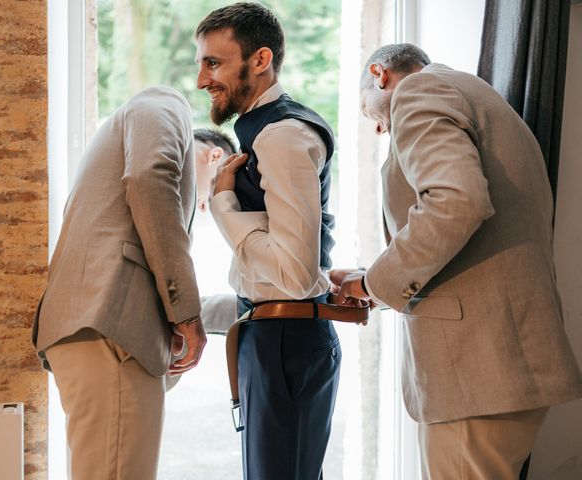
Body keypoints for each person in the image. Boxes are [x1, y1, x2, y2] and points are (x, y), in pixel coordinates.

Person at [333, 43, 582, 479]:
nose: (378, 129)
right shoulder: (481, 95)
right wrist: (374, 280)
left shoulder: (420, 92)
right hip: (505, 361)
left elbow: (456, 202)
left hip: (477, 371)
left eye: (370, 113)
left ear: (380, 74)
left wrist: (374, 284)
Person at [195, 3, 341, 479]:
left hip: (286, 340)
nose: (201, 79)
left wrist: (224, 208)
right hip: (270, 337)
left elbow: (296, 275)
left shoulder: (281, 135)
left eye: (213, 63)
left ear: (260, 60)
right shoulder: (263, 131)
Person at [32, 86, 207, 480]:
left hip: (93, 324)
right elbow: (148, 177)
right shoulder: (164, 102)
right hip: (110, 322)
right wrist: (185, 312)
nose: (203, 200)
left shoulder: (110, 147)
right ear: (213, 153)